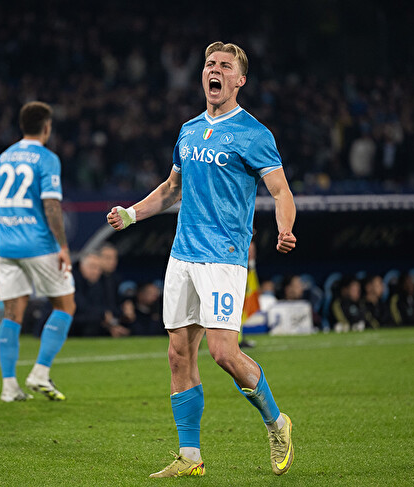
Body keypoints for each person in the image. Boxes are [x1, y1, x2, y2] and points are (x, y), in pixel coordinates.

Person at [107, 41, 296, 478]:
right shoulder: (189, 130)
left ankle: (276, 422)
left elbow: (281, 190)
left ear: (239, 80)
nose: (215, 70)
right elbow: (171, 188)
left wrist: (285, 228)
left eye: (225, 66)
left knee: (223, 353)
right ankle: (190, 456)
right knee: (178, 354)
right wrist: (132, 214)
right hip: (183, 255)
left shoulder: (254, 134)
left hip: (224, 257)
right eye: (211, 64)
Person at [0, 101, 76, 403]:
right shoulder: (47, 158)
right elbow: (51, 205)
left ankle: (8, 386)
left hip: (6, 245)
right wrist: (63, 246)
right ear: (47, 128)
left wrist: (7, 233)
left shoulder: (2, 159)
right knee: (65, 306)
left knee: (12, 314)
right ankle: (40, 372)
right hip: (38, 244)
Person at [71, 250, 130, 337]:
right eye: (92, 267)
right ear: (81, 266)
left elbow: (104, 307)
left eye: (99, 268)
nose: (96, 271)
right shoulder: (72, 283)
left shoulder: (98, 285)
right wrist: (103, 316)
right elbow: (82, 308)